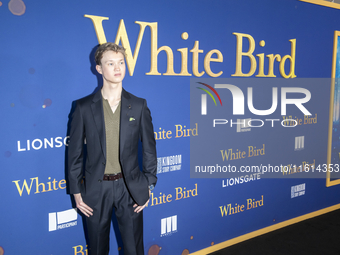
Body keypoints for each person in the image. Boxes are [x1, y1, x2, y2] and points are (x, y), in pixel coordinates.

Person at [67, 42, 157, 255]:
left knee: (134, 250)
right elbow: (74, 154)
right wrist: (76, 192)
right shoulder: (82, 107)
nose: (118, 68)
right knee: (97, 250)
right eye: (110, 63)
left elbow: (150, 149)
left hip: (130, 188)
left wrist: (149, 185)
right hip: (96, 190)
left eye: (121, 63)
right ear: (99, 69)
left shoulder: (139, 105)